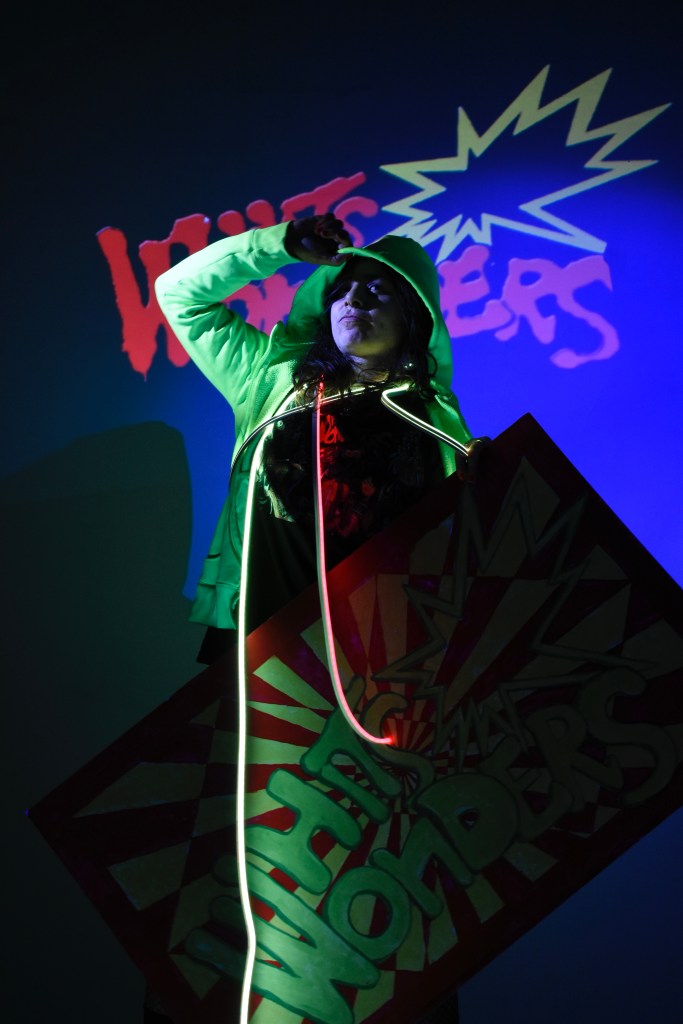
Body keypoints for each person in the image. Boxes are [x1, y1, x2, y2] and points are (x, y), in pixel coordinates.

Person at [150, 213, 488, 1024]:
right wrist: (278, 246)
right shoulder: (271, 379)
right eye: (343, 288)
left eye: (380, 290)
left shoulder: (439, 426)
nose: (356, 300)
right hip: (256, 655)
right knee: (228, 866)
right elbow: (179, 293)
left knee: (385, 869)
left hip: (379, 682)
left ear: (417, 316)